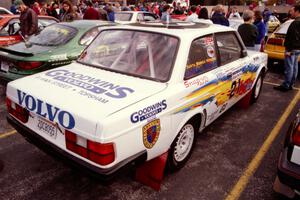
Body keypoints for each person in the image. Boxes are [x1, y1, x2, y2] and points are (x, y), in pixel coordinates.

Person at [274, 4, 300, 92]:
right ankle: (291, 84)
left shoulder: (295, 23)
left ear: (297, 11)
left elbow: (293, 37)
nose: (290, 12)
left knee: (290, 67)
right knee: (294, 66)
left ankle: (286, 85)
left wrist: (289, 50)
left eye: (292, 11)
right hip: (297, 49)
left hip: (291, 49)